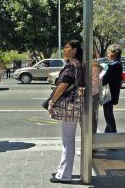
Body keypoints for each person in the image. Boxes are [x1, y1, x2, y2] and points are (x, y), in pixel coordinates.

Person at [48, 40, 83, 183]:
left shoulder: (71, 65)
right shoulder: (78, 64)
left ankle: (64, 174)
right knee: (68, 140)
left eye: (67, 48)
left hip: (69, 106)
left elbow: (63, 85)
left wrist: (52, 101)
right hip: (74, 105)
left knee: (68, 141)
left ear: (75, 50)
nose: (64, 50)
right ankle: (63, 171)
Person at [102, 44, 123, 133]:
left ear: (114, 53)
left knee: (108, 115)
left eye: (109, 53)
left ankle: (112, 134)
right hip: (111, 93)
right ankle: (108, 133)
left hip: (109, 93)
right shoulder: (117, 64)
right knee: (108, 114)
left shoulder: (115, 65)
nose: (107, 55)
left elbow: (105, 79)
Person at [92, 60, 103, 134]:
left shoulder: (91, 69)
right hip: (95, 94)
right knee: (93, 116)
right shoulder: (97, 73)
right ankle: (93, 133)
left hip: (91, 94)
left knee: (91, 117)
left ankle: (92, 134)